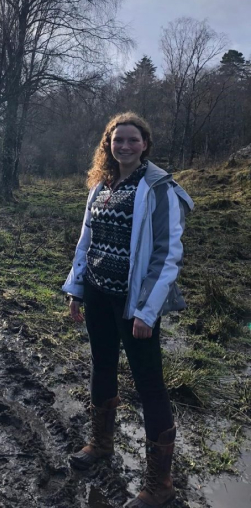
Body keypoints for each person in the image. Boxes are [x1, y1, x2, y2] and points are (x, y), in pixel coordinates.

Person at [63, 112, 193, 508]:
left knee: (150, 386)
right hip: (99, 295)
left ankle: (160, 484)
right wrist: (77, 289)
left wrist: (146, 311)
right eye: (117, 140)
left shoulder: (158, 188)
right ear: (108, 144)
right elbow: (87, 240)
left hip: (134, 304)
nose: (124, 146)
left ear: (145, 144)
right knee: (101, 366)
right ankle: (100, 443)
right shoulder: (101, 185)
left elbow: (167, 254)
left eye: (132, 140)